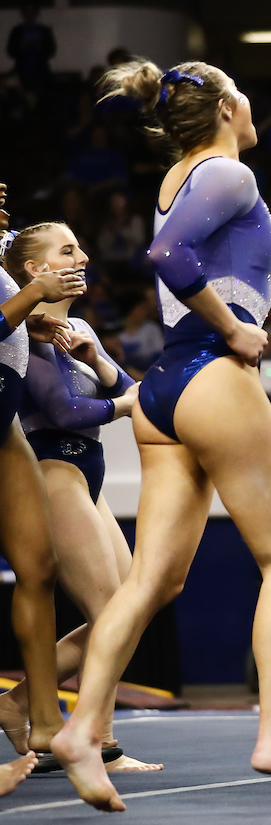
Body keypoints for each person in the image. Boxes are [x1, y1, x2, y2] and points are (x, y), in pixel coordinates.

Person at [51, 58, 271, 810]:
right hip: (212, 377)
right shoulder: (228, 173)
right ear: (224, 109)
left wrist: (260, 294)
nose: (253, 104)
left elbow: (198, 265)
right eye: (243, 92)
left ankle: (80, 726)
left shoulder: (182, 175)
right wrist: (237, 328)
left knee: (154, 581)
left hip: (165, 388)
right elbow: (168, 258)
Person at [0, 223, 156, 773]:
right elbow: (67, 411)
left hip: (87, 473)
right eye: (68, 250)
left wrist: (99, 360)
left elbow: (119, 387)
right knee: (112, 611)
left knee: (133, 606)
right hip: (53, 468)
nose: (83, 256)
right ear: (35, 271)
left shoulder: (78, 326)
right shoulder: (28, 332)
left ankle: (19, 704)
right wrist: (128, 403)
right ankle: (97, 740)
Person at [0, 192, 86, 781]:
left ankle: (44, 720)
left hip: (3, 424)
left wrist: (30, 316)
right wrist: (32, 294)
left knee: (40, 566)